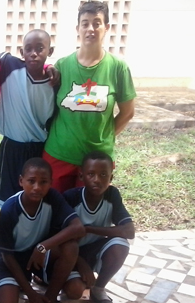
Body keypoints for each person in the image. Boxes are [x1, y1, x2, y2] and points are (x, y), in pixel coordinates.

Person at [43, 1, 136, 193]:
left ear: (107, 27)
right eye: (85, 23)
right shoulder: (62, 65)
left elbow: (127, 112)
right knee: (55, 213)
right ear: (78, 28)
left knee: (88, 215)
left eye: (97, 23)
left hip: (97, 160)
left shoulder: (118, 67)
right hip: (59, 154)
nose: (90, 29)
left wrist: (105, 137)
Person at [0, 158, 85, 303]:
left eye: (43, 182)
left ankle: (50, 297)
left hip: (39, 257)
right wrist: (31, 293)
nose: (37, 187)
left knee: (76, 289)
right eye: (31, 181)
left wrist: (43, 247)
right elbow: (6, 256)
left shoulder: (52, 198)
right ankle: (21, 284)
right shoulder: (9, 209)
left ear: (50, 183)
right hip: (12, 262)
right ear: (21, 181)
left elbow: (77, 227)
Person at [0, 29, 58, 207]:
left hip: (40, 149)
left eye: (40, 48)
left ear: (50, 52)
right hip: (11, 147)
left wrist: (49, 68)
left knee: (36, 198)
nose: (33, 54)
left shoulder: (55, 82)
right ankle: (7, 233)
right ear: (22, 52)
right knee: (8, 201)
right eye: (28, 49)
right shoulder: (10, 66)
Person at [63, 151, 135, 303]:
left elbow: (128, 231)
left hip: (96, 248)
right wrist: (81, 264)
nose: (97, 180)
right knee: (74, 291)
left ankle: (99, 288)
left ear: (111, 178)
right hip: (71, 253)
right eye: (91, 174)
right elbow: (60, 239)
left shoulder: (112, 195)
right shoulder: (71, 198)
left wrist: (88, 229)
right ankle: (70, 278)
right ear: (81, 176)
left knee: (120, 245)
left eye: (103, 174)